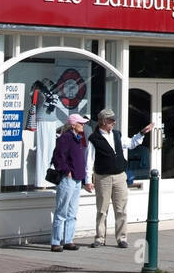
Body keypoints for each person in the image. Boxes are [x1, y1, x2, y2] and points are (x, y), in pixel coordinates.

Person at [87, 108, 152, 248]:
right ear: (103, 122)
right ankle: (99, 238)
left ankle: (122, 238)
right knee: (102, 209)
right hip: (102, 177)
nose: (114, 122)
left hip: (119, 176)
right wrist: (88, 180)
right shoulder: (94, 138)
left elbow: (131, 143)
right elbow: (89, 160)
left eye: (113, 120)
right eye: (111, 120)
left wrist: (142, 133)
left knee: (121, 209)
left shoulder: (116, 135)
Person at [49, 114, 91, 253]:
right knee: (62, 211)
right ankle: (56, 241)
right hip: (68, 179)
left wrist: (84, 179)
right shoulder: (65, 138)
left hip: (77, 179)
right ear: (73, 124)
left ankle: (68, 240)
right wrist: (66, 171)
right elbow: (58, 157)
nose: (83, 125)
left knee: (72, 212)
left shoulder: (77, 138)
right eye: (81, 123)